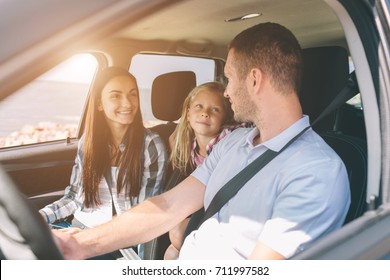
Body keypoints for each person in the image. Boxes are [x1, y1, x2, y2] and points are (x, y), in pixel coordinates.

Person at [53, 22, 350, 260]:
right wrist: (79, 244)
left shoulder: (315, 171)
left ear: (255, 80)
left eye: (230, 78)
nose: (228, 91)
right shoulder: (234, 143)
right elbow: (168, 206)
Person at [40, 67, 167, 258]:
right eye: (116, 96)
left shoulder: (151, 145)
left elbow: (144, 214)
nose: (127, 103)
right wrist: (40, 218)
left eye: (133, 94)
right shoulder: (88, 142)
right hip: (77, 228)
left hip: (116, 242)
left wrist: (91, 239)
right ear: (99, 103)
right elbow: (75, 197)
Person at [163, 81, 239, 259]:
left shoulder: (229, 140)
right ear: (188, 114)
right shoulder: (188, 145)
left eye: (215, 110)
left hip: (225, 211)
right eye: (199, 106)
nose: (205, 113)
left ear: (225, 119)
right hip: (206, 208)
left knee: (176, 237)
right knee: (171, 252)